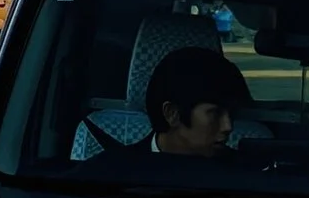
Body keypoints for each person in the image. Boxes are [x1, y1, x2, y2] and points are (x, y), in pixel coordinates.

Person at [90, 40, 252, 169]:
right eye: (215, 113)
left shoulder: (244, 175)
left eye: (231, 113)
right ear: (172, 114)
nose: (228, 126)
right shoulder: (109, 173)